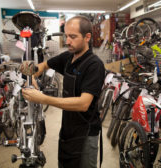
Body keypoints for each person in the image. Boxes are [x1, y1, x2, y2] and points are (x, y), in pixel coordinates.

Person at [20, 15, 105, 168]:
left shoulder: (94, 65)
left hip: (85, 135)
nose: (67, 41)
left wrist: (43, 98)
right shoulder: (68, 57)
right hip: (67, 131)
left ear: (87, 37)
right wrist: (31, 74)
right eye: (66, 36)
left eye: (73, 37)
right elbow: (44, 65)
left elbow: (83, 103)